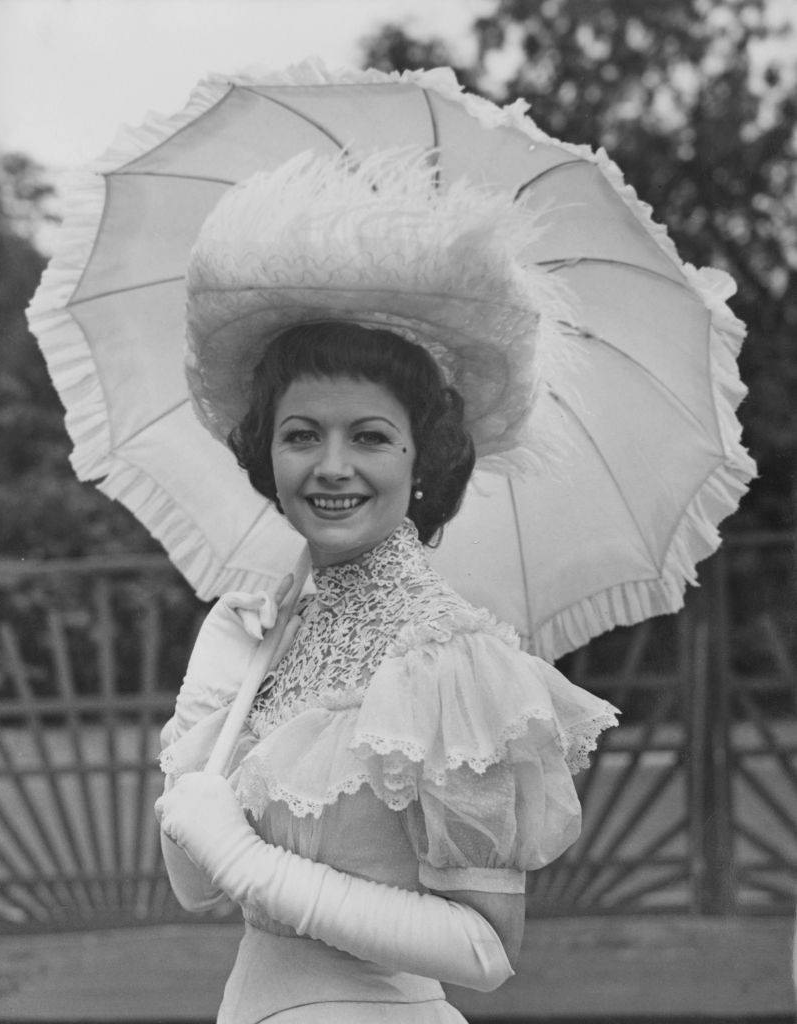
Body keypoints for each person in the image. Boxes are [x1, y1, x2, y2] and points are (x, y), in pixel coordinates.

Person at [154, 150, 619, 1023]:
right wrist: (216, 677)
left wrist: (257, 866)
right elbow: (192, 881)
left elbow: (486, 949)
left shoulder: (451, 661)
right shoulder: (267, 629)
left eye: (369, 436)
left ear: (421, 455)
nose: (332, 468)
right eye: (302, 435)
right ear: (268, 452)